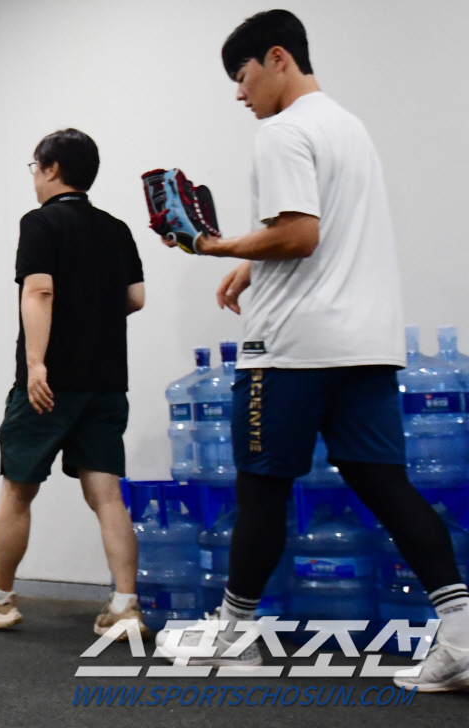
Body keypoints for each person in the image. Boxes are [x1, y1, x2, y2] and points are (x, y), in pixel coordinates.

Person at [155, 10, 469, 692]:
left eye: (241, 78)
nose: (240, 95)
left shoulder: (282, 131)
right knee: (386, 485)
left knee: (262, 490)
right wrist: (252, 263)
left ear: (276, 59)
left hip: (293, 350)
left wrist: (214, 248)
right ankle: (464, 636)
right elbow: (320, 233)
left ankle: (234, 635)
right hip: (365, 343)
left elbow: (299, 235)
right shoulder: (347, 127)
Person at [0, 129, 148, 638]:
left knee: (17, 489)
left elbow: (39, 292)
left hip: (52, 384)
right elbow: (136, 298)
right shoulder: (117, 229)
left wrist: (37, 365)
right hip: (107, 381)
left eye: (35, 167)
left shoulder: (40, 223)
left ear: (52, 168)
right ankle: (125, 605)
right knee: (107, 494)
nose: (34, 177)